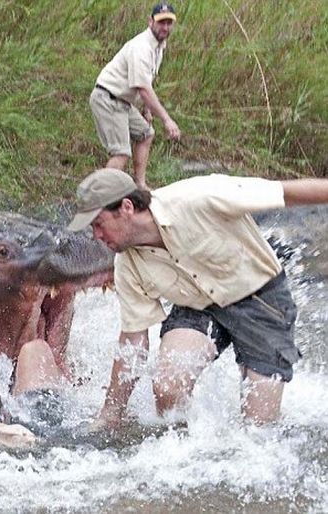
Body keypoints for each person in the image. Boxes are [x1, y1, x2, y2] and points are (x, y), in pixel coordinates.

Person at [67, 168, 328, 427]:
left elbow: (286, 192)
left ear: (126, 207)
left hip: (262, 303)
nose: (96, 236)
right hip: (198, 308)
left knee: (259, 429)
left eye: (99, 224)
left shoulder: (198, 197)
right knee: (169, 386)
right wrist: (111, 413)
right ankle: (181, 449)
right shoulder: (126, 265)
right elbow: (134, 340)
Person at [89, 3, 181, 188]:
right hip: (108, 98)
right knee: (121, 153)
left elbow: (147, 80)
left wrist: (147, 110)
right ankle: (100, 197)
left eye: (169, 23)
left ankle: (139, 185)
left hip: (123, 101)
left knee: (145, 134)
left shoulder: (159, 46)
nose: (165, 27)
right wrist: (166, 119)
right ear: (150, 22)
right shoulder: (141, 47)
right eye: (161, 22)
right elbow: (143, 88)